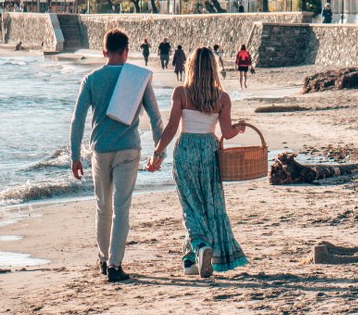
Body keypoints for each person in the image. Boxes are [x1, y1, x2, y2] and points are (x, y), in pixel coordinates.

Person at [70, 30, 163, 283]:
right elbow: (155, 117)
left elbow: (78, 119)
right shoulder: (138, 78)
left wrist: (75, 155)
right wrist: (159, 151)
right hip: (129, 149)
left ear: (104, 52)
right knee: (122, 209)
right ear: (126, 51)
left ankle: (102, 258)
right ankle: (114, 265)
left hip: (100, 149)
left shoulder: (91, 79)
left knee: (103, 207)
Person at [147, 47, 248, 278]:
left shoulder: (181, 93)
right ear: (213, 68)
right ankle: (190, 260)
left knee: (190, 205)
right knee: (207, 205)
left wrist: (157, 153)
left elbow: (172, 128)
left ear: (190, 67)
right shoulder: (222, 98)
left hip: (185, 150)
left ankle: (200, 248)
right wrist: (239, 128)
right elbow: (227, 132)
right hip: (209, 151)